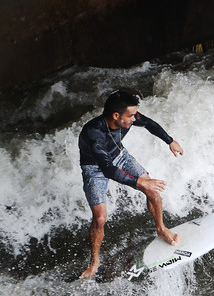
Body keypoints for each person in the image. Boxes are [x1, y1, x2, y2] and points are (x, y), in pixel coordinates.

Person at [77, 90, 184, 279]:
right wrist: (139, 182)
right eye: (131, 115)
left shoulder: (128, 119)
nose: (135, 119)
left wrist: (170, 141)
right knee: (100, 218)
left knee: (152, 188)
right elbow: (107, 169)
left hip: (119, 155)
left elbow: (149, 124)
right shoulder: (94, 133)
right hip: (94, 168)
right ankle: (94, 261)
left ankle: (161, 228)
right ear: (116, 116)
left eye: (135, 114)